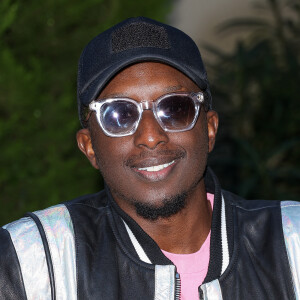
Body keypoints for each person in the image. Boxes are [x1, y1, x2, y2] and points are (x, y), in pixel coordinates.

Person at [0, 16, 299, 300]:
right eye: (119, 114)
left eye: (174, 108)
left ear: (209, 130)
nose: (150, 135)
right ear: (89, 146)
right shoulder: (31, 261)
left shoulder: (292, 243)